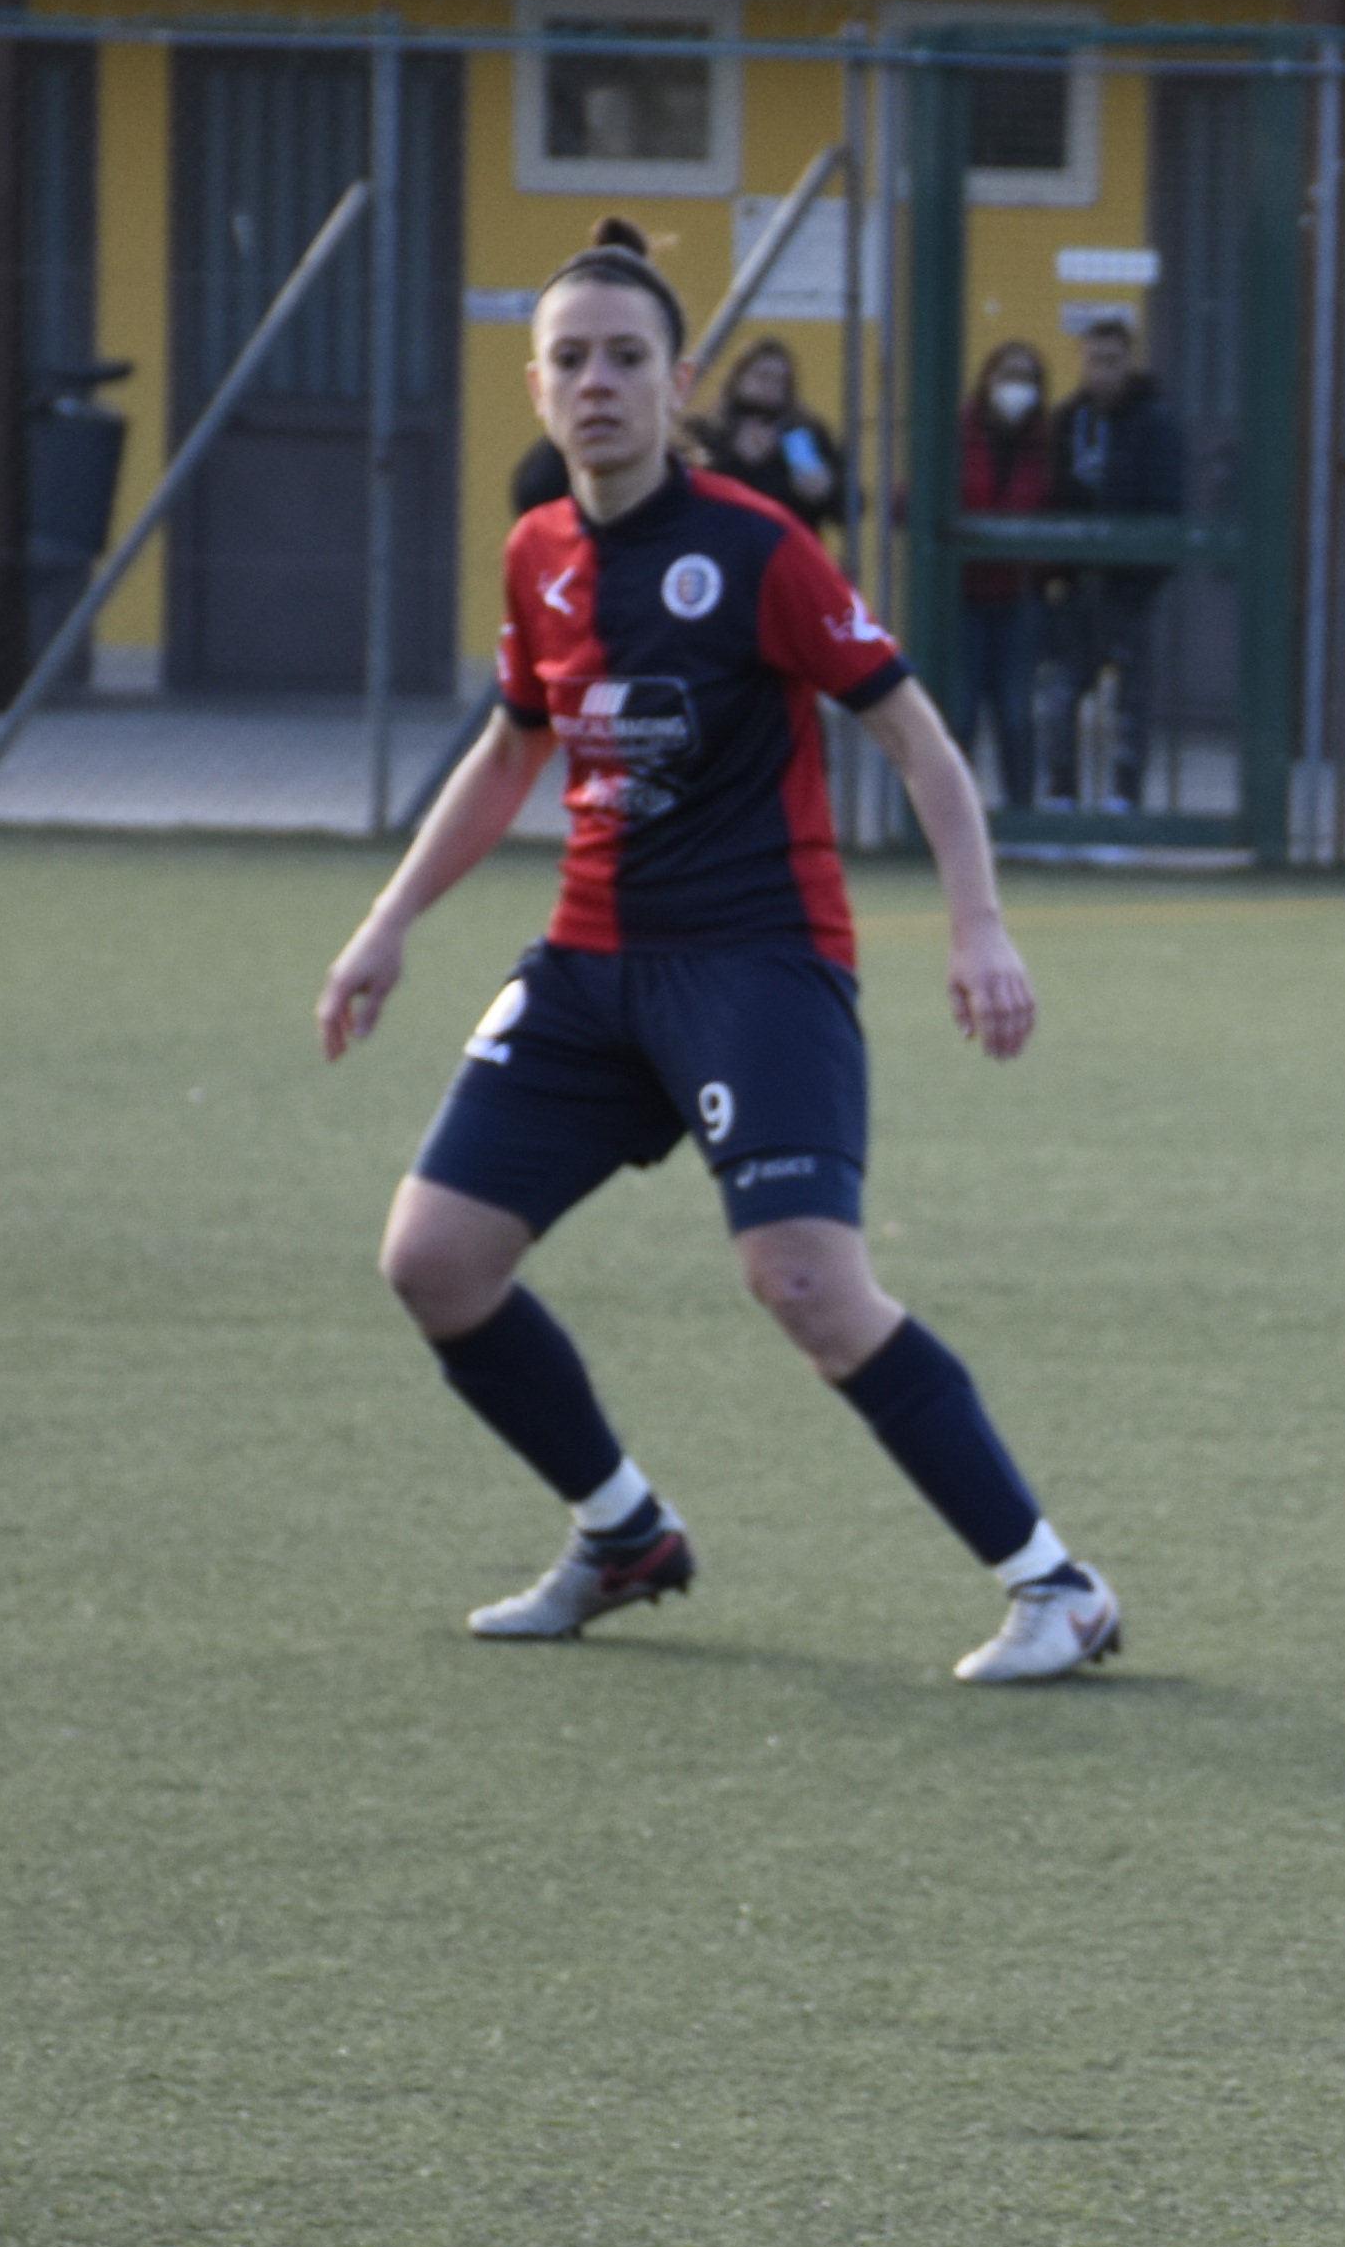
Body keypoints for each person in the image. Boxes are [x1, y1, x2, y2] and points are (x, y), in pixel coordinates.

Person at [317, 216, 1121, 1686]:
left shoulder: (756, 548)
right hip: (587, 969)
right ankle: (624, 1534)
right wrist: (389, 923)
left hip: (755, 962)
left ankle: (1055, 1587)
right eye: (571, 359)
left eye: (627, 358)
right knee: (433, 1262)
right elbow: (513, 747)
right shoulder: (537, 551)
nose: (598, 383)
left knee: (807, 1285)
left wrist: (978, 925)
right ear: (536, 385)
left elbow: (915, 735)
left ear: (678, 382)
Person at [1047, 311, 1185, 809]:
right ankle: (1062, 796)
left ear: (1130, 362)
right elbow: (1052, 496)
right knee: (1064, 694)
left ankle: (1123, 799)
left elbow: (1167, 505)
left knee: (1131, 699)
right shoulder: (1067, 421)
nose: (1103, 371)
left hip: (1129, 587)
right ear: (1080, 362)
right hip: (1075, 586)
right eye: (1094, 360)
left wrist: (1146, 577)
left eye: (1112, 360)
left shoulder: (1156, 423)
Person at [950, 339, 1067, 785]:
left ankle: (1021, 811)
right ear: (988, 379)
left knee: (1017, 716)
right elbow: (910, 500)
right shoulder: (958, 432)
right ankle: (952, 814)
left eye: (1027, 378)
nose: (1017, 387)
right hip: (962, 595)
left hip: (1020, 597)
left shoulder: (1049, 441)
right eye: (1008, 376)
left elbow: (1058, 509)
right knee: (960, 714)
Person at [701, 341, 852, 540]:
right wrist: (738, 461)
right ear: (738, 378)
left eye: (781, 380)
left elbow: (852, 507)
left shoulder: (806, 433)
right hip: (723, 542)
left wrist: (828, 490)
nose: (771, 387)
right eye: (763, 376)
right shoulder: (707, 432)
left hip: (789, 545)